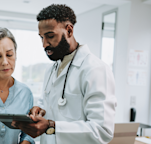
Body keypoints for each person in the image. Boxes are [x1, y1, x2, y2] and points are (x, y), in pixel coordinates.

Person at [12, 4, 117, 144]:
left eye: (50, 36)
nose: (44, 44)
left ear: (69, 30)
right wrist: (40, 110)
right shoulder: (51, 70)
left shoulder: (95, 69)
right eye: (41, 37)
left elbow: (102, 131)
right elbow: (51, 105)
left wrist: (51, 125)